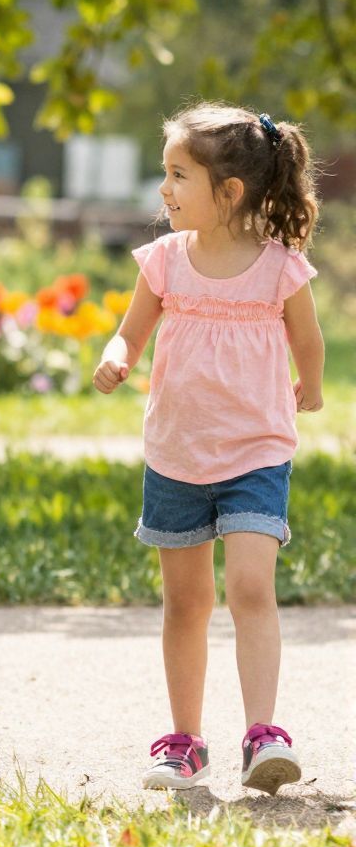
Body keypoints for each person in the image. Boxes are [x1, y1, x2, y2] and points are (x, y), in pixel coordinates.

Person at [93, 104, 323, 794]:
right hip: (176, 454)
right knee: (186, 602)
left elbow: (307, 338)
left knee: (252, 588)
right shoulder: (164, 261)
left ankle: (262, 734)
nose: (165, 189)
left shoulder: (281, 268)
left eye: (178, 175)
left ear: (229, 193)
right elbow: (129, 333)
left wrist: (308, 383)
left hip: (257, 451)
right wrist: (115, 358)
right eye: (166, 173)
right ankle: (185, 743)